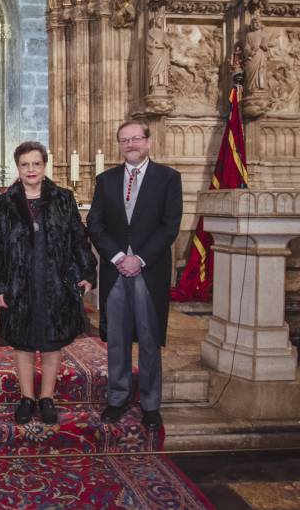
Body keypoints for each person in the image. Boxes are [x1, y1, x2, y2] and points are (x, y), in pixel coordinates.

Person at [0, 142, 96, 425]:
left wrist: (86, 270)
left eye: (36, 163)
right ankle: (26, 398)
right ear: (18, 168)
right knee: (22, 343)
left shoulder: (63, 198)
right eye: (25, 164)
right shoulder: (4, 203)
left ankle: (46, 397)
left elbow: (78, 237)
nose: (31, 169)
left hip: (55, 282)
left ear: (44, 165)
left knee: (51, 342)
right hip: (18, 283)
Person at [86, 121, 182, 430]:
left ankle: (151, 404)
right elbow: (95, 223)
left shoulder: (168, 178)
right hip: (115, 272)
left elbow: (170, 225)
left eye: (136, 139)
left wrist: (139, 259)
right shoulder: (106, 180)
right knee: (117, 338)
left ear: (148, 142)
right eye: (125, 140)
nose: (131, 144)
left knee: (150, 339)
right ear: (119, 145)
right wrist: (117, 257)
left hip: (148, 270)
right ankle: (118, 398)